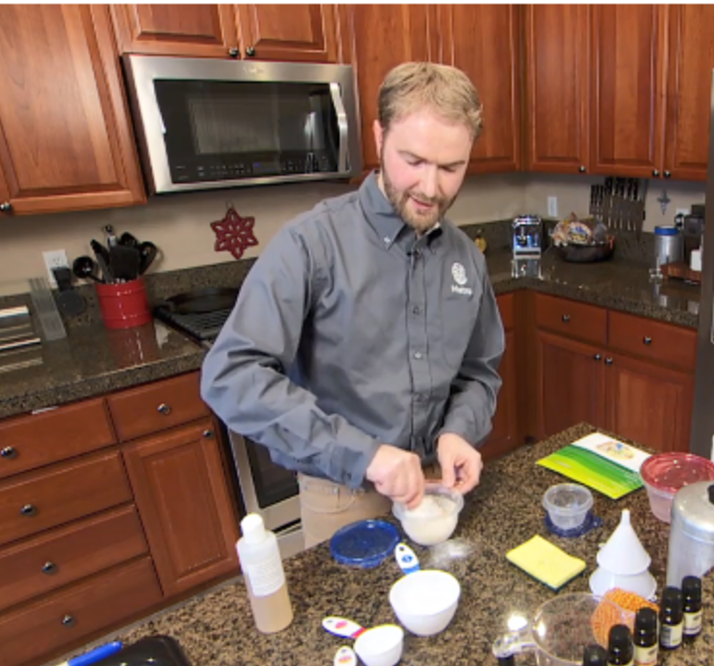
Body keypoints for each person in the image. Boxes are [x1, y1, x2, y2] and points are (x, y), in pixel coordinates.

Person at [201, 62, 504, 548]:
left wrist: (459, 431)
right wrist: (364, 455)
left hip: (438, 486)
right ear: (379, 136)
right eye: (414, 160)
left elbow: (479, 370)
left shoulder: (465, 256)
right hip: (344, 492)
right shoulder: (310, 244)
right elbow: (230, 375)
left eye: (451, 168)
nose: (431, 187)